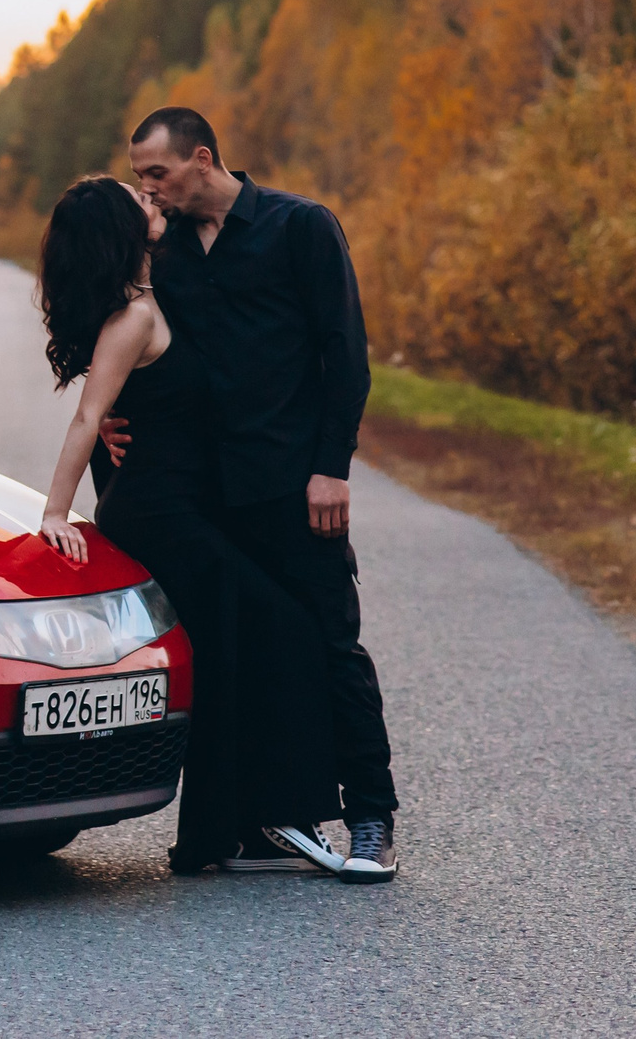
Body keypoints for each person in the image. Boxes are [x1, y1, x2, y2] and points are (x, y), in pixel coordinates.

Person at [29, 175, 352, 880]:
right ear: (124, 228)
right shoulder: (134, 316)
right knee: (281, 630)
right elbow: (90, 415)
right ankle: (248, 824)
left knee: (232, 651)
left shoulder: (153, 292)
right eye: (139, 199)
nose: (154, 203)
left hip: (179, 508)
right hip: (158, 516)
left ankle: (231, 831)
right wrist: (55, 511)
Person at [108, 105, 400, 881]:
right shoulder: (163, 256)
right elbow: (144, 352)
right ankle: (258, 817)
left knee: (333, 645)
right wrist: (109, 416)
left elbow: (347, 354)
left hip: (294, 489)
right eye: (139, 176)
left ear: (202, 159)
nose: (149, 189)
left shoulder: (300, 228)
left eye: (157, 173)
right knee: (244, 655)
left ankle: (371, 814)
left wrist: (331, 466)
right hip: (205, 496)